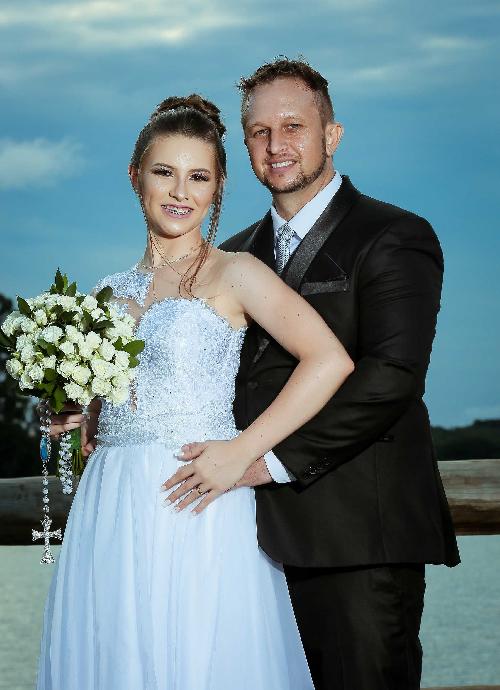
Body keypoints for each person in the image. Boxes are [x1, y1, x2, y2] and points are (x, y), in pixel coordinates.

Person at [37, 94, 354, 689]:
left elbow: (329, 360)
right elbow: (108, 408)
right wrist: (76, 414)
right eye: (165, 172)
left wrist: (243, 451)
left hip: (197, 495)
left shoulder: (235, 272)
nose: (180, 191)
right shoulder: (105, 293)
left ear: (218, 186)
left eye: (199, 177)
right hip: (112, 501)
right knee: (115, 652)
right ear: (135, 176)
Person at [178, 59, 460, 690]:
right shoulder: (232, 254)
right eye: (259, 132)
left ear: (332, 134)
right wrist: (96, 407)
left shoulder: (394, 235)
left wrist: (268, 462)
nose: (276, 145)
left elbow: (392, 377)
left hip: (358, 537)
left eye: (293, 126)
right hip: (246, 543)